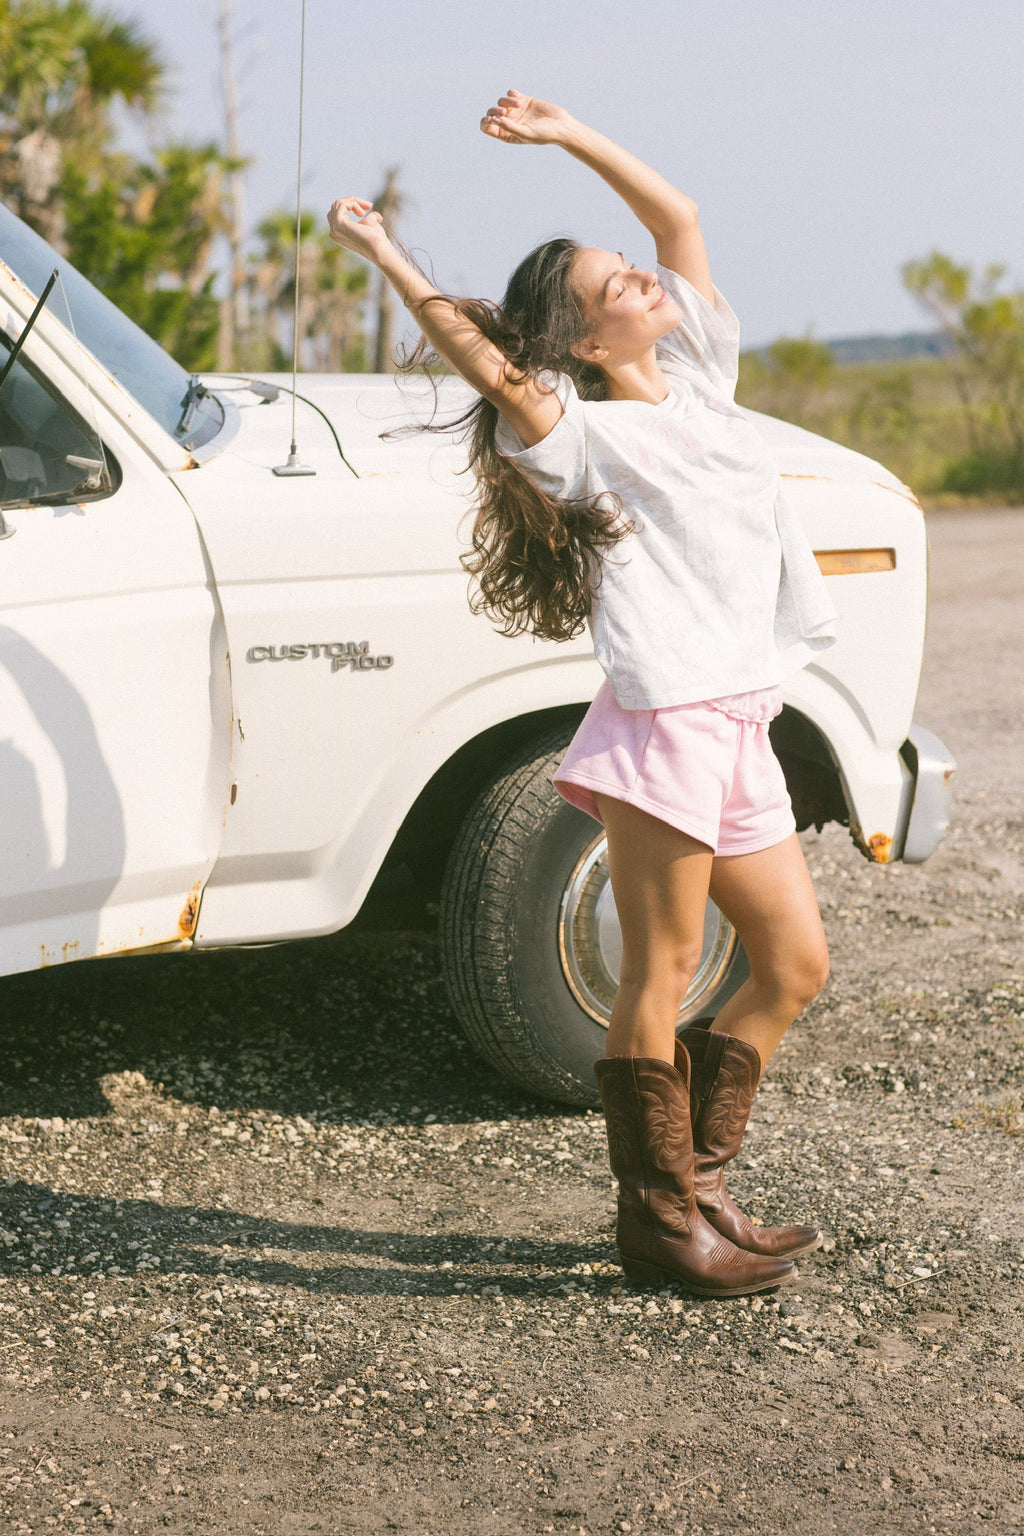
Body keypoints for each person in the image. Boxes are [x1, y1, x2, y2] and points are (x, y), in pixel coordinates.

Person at [328, 89, 837, 1298]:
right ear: (586, 346)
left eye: (635, 273)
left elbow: (680, 212)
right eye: (619, 289)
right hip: (663, 725)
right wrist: (390, 256)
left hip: (740, 719)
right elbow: (492, 363)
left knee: (793, 966)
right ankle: (658, 1219)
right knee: (657, 974)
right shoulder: (580, 437)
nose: (647, 282)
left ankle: (701, 1178)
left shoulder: (704, 375)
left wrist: (568, 135)